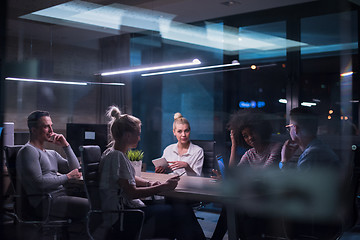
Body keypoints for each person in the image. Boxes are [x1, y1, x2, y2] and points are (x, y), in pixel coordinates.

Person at [99, 106, 206, 240]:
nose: (139, 138)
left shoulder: (112, 153)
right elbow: (131, 193)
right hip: (123, 215)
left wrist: (149, 183)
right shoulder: (117, 157)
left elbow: (128, 178)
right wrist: (162, 187)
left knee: (179, 209)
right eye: (138, 134)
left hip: (125, 210)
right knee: (178, 212)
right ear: (127, 136)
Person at [211, 109, 282, 240]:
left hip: (270, 201)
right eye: (245, 135)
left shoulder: (275, 147)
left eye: (252, 132)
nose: (250, 138)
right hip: (251, 199)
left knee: (232, 208)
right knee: (232, 207)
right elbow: (234, 172)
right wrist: (234, 145)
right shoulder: (250, 153)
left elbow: (264, 173)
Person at [280, 106, 344, 239]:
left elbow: (293, 190)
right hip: (325, 217)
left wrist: (284, 161)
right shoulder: (318, 149)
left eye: (289, 127)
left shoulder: (312, 154)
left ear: (295, 129)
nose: (289, 130)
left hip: (317, 221)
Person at [16, 110, 89, 221]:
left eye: (51, 126)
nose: (51, 131)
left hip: (60, 197)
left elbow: (75, 169)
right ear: (34, 130)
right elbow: (39, 184)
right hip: (46, 202)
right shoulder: (28, 151)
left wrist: (66, 146)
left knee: (97, 201)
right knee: (91, 207)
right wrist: (67, 177)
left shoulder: (51, 153)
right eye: (46, 127)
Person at [155, 112, 204, 176]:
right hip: (170, 184)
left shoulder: (198, 151)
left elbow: (197, 178)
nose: (183, 135)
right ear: (174, 132)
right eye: (179, 131)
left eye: (186, 131)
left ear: (189, 131)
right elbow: (164, 172)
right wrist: (160, 171)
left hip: (187, 185)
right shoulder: (168, 150)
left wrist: (187, 166)